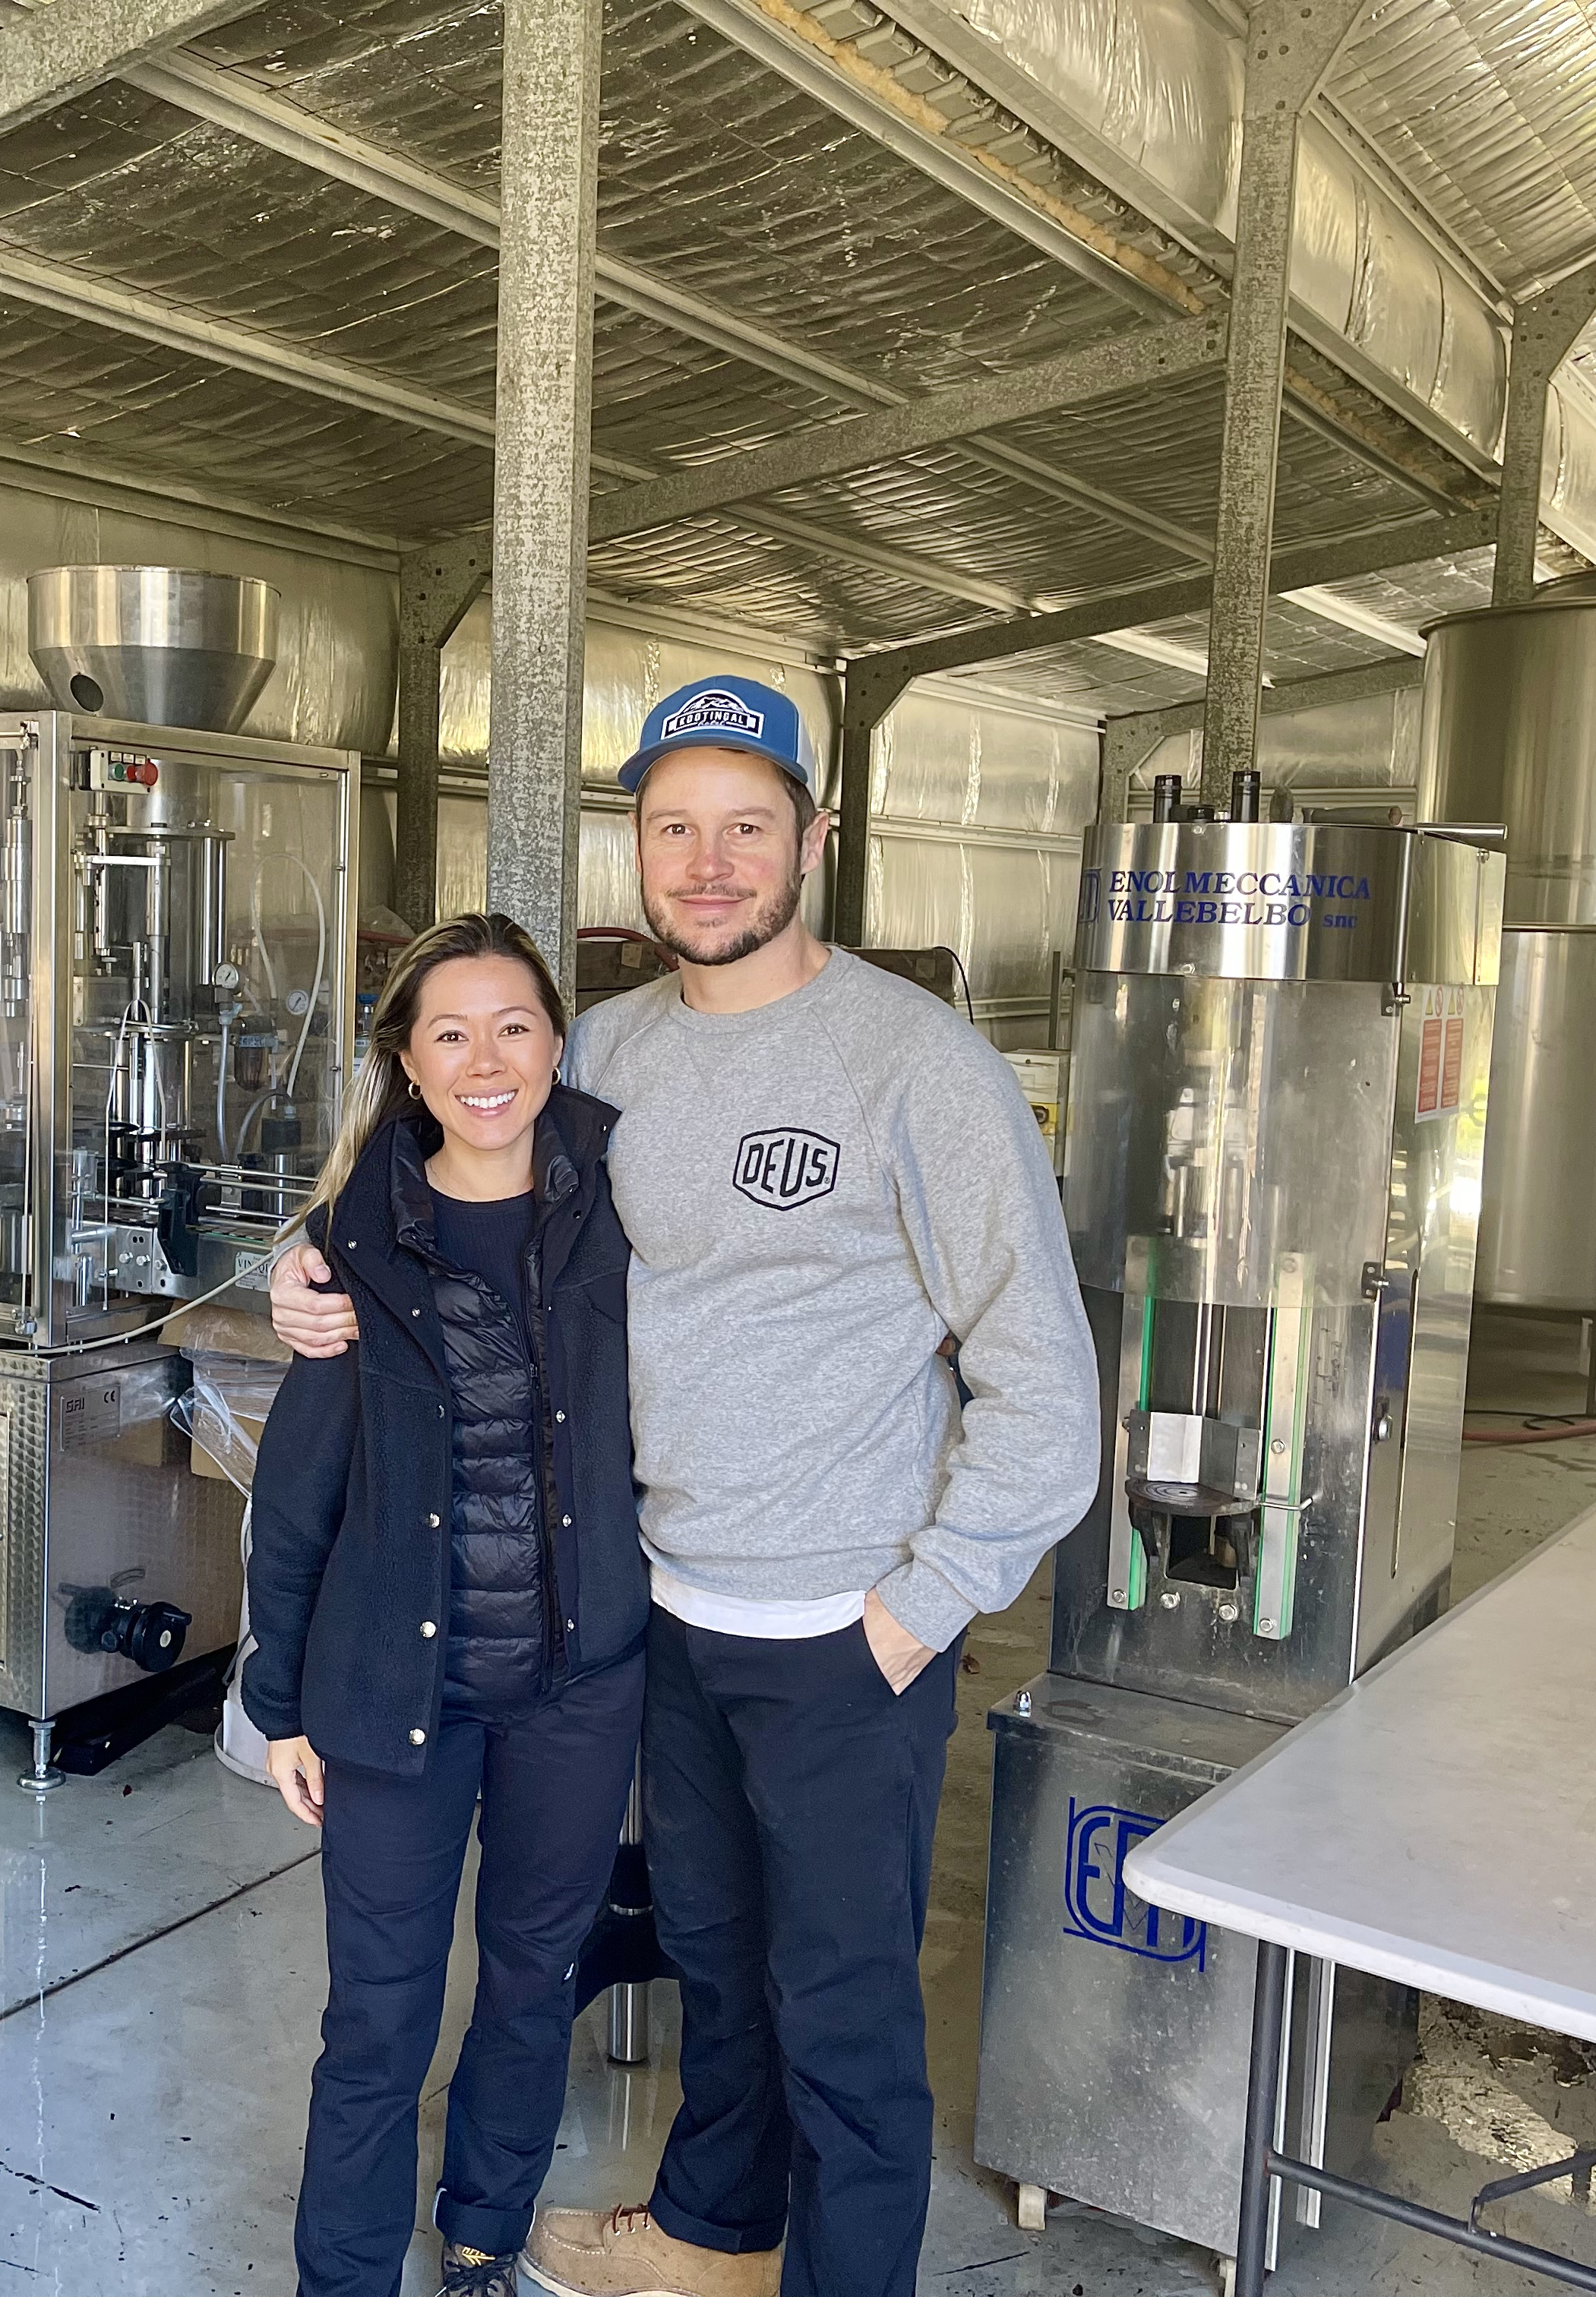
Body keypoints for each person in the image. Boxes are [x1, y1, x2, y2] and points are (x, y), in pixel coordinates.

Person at [271, 678, 1097, 2297]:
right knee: (717, 1966)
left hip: (846, 1632)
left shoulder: (914, 1064)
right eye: (672, 829)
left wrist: (919, 1610)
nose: (707, 865)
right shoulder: (610, 1057)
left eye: (746, 828)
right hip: (653, 1615)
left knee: (847, 2012)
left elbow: (1047, 1391)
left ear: (815, 842)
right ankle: (716, 2234)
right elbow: (427, 1179)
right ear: (636, 849)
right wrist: (298, 1278)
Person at [244, 912, 654, 2297]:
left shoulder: (624, 1203)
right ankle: (345, 2276)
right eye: (451, 1034)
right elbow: (299, 1495)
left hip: (576, 1690)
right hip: (388, 1697)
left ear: (558, 1043)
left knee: (533, 1984)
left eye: (517, 1026)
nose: (488, 1061)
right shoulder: (351, 1246)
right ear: (407, 1064)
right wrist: (278, 1701)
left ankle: (483, 2232)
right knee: (379, 2018)